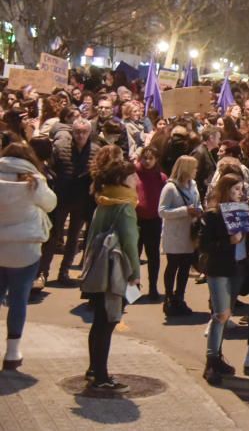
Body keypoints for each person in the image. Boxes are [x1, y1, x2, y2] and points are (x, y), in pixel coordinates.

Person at [82, 145, 140, 393]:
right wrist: (136, 275)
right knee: (108, 322)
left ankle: (94, 369)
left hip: (96, 268)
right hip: (114, 272)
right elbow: (130, 245)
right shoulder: (125, 207)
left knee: (98, 322)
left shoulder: (102, 201)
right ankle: (102, 377)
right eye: (132, 175)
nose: (137, 179)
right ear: (122, 180)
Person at [0, 143, 57, 370]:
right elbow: (51, 204)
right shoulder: (34, 180)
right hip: (25, 248)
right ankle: (12, 352)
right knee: (19, 299)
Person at [200, 173, 249, 384]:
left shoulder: (242, 211)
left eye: (241, 189)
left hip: (237, 267)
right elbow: (204, 245)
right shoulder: (213, 215)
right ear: (225, 190)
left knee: (227, 313)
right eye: (236, 189)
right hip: (219, 269)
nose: (239, 193)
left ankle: (218, 356)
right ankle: (211, 362)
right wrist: (227, 241)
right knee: (220, 314)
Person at [40, 118, 98, 287]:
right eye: (77, 132)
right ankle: (42, 272)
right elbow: (50, 168)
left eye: (84, 132)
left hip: (82, 201)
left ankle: (64, 272)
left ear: (89, 133)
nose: (80, 135)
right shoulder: (60, 148)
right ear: (73, 132)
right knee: (53, 237)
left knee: (73, 238)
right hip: (62, 198)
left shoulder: (95, 150)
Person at [158, 155, 201, 317]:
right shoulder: (170, 188)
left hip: (189, 233)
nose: (196, 171)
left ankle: (180, 297)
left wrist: (199, 210)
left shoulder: (193, 185)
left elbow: (198, 202)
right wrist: (185, 211)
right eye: (194, 168)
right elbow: (162, 211)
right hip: (175, 235)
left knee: (184, 269)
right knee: (173, 266)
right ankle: (169, 298)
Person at [134, 146, 166, 301]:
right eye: (144, 158)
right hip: (135, 220)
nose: (147, 161)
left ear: (156, 160)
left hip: (154, 221)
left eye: (150, 158)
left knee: (153, 256)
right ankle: (132, 291)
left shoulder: (161, 177)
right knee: (134, 255)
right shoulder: (133, 175)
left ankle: (153, 288)